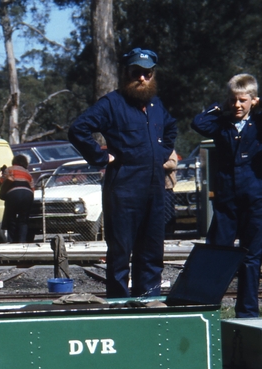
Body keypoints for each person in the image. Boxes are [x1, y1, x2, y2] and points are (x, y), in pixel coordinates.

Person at [68, 47, 177, 298]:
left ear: (153, 74)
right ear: (126, 73)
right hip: (124, 190)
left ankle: (149, 303)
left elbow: (171, 128)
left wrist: (161, 154)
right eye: (136, 72)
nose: (142, 78)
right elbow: (78, 129)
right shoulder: (111, 103)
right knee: (120, 253)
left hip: (154, 189)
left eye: (147, 73)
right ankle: (119, 306)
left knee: (151, 251)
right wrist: (100, 157)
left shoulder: (156, 104)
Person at [191, 73, 262, 318]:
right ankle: (206, 308)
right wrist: (217, 108)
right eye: (232, 100)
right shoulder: (221, 124)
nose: (237, 105)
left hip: (255, 200)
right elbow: (197, 123)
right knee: (217, 253)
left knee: (251, 258)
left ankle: (248, 314)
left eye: (243, 100)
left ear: (254, 100)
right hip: (226, 201)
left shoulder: (258, 125)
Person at [0, 155, 35, 243]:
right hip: (27, 194)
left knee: (11, 219)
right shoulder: (27, 173)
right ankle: (22, 242)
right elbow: (32, 188)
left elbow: (3, 183)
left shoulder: (9, 169)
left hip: (13, 194)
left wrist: (0, 176)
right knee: (24, 220)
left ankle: (12, 241)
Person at [163, 150, 179, 238]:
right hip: (154, 187)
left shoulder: (169, 150)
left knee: (168, 212)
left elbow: (173, 163)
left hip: (167, 187)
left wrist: (158, 164)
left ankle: (169, 233)